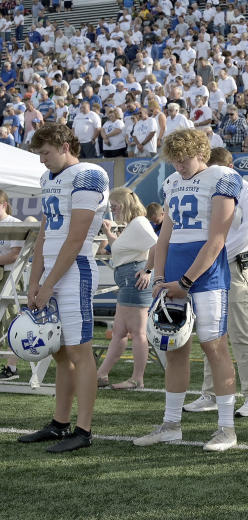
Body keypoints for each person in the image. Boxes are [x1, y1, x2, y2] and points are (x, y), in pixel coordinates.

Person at [133, 129, 242, 452]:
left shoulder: (222, 177)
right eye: (175, 160)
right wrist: (159, 277)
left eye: (184, 159)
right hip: (174, 273)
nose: (179, 166)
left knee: (214, 347)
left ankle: (226, 428)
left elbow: (216, 239)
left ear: (201, 153)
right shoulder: (173, 183)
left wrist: (185, 282)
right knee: (173, 347)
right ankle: (171, 424)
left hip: (205, 275)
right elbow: (163, 238)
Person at [17, 123, 110, 452]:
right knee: (58, 351)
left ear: (65, 146)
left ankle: (83, 430)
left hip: (77, 272)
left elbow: (76, 238)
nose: (42, 161)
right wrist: (34, 280)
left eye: (45, 153)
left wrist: (50, 282)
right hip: (52, 274)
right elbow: (45, 232)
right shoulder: (48, 178)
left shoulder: (89, 174)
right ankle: (59, 423)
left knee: (79, 351)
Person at [183, 147, 248, 418]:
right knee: (210, 333)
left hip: (232, 265)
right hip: (210, 265)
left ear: (230, 166)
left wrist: (213, 259)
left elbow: (247, 233)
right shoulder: (207, 189)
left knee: (240, 333)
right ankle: (210, 393)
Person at [95, 188, 156, 390]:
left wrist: (148, 270)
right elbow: (120, 248)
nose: (112, 209)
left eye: (115, 205)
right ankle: (101, 374)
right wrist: (108, 234)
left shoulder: (139, 223)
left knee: (137, 332)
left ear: (125, 203)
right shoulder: (133, 225)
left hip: (134, 279)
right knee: (119, 331)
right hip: (128, 279)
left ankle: (137, 379)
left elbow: (157, 245)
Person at [0, 189, 24, 381]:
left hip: (10, 276)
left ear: (3, 204)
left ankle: (11, 368)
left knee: (11, 322)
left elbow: (15, 254)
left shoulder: (14, 224)